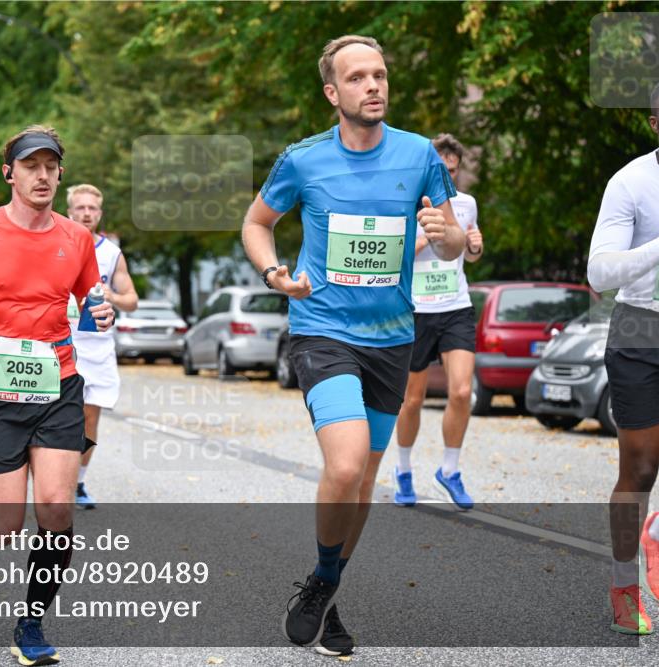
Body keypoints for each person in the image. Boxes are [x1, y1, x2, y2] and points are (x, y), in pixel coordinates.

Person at [241, 35, 463, 655]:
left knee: (363, 481)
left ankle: (326, 585)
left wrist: (448, 235)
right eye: (359, 77)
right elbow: (257, 222)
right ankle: (323, 586)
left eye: (381, 74)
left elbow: (448, 244)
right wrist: (273, 273)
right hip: (322, 329)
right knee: (344, 464)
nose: (375, 85)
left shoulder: (420, 155)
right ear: (333, 93)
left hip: (392, 338)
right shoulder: (303, 160)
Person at [0, 125, 114, 666]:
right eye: (31, 166)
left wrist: (101, 310)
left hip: (58, 381)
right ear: (9, 173)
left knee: (56, 507)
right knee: (7, 523)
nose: (43, 176)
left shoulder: (76, 239)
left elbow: (92, 298)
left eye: (51, 167)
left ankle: (31, 622)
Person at [587, 83, 659, 635]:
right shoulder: (632, 181)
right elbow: (600, 273)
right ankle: (623, 584)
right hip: (641, 325)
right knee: (640, 467)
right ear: (655, 123)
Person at [392, 133, 483, 510]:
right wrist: (432, 235)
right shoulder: (409, 202)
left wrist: (474, 245)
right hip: (416, 309)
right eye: (441, 171)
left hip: (455, 305)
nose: (448, 177)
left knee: (462, 392)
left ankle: (449, 470)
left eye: (453, 171)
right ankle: (402, 469)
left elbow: (471, 253)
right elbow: (397, 255)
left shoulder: (467, 204)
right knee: (412, 400)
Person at [66, 184, 139, 509]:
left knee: (90, 418)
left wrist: (111, 296)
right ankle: (51, 481)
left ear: (99, 214)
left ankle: (78, 483)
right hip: (60, 344)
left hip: (96, 346)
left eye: (91, 209)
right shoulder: (56, 243)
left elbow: (132, 300)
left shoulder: (111, 253)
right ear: (69, 211)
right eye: (79, 207)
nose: (85, 213)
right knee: (54, 416)